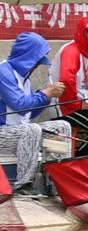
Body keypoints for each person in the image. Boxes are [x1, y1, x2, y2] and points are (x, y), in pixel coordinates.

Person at [0, 32, 67, 185]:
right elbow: (20, 106)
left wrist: (47, 97)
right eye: (36, 61)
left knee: (62, 127)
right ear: (27, 57)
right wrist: (45, 93)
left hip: (18, 131)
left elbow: (31, 112)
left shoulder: (25, 79)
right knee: (31, 130)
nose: (37, 65)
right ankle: (23, 183)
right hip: (3, 131)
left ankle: (57, 182)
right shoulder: (3, 72)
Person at [57, 16, 88, 156]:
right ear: (81, 33)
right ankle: (79, 155)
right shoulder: (71, 50)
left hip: (82, 108)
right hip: (66, 108)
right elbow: (66, 80)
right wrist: (78, 105)